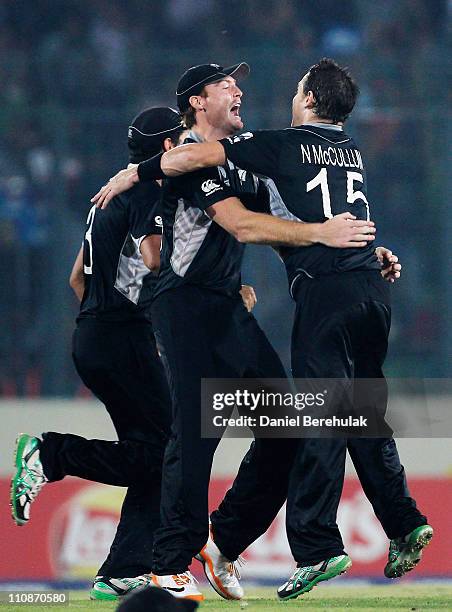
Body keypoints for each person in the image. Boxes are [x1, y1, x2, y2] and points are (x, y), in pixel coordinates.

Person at [108, 58, 432, 599]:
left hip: (230, 307)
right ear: (197, 101)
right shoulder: (189, 157)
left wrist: (357, 249)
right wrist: (322, 236)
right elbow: (242, 224)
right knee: (194, 431)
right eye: (224, 83)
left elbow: (297, 207)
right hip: (184, 307)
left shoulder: (249, 160)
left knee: (294, 421)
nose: (238, 88)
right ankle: (168, 563)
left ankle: (223, 541)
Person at [10, 108, 184, 602]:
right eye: (181, 140)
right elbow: (155, 259)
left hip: (94, 333)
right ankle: (50, 453)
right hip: (118, 336)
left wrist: (110, 321)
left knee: (153, 455)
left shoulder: (107, 199)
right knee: (167, 450)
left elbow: (76, 279)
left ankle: (122, 570)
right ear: (168, 148)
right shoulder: (148, 192)